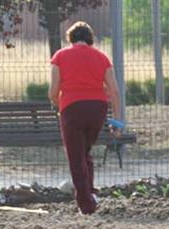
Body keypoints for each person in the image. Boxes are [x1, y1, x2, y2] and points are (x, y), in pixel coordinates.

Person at [49, 21, 121, 215]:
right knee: (85, 151)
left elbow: (53, 90)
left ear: (70, 38)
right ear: (90, 38)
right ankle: (90, 191)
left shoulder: (60, 56)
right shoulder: (102, 58)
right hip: (98, 108)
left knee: (75, 157)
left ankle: (86, 205)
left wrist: (58, 105)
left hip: (72, 108)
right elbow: (114, 90)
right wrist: (116, 121)